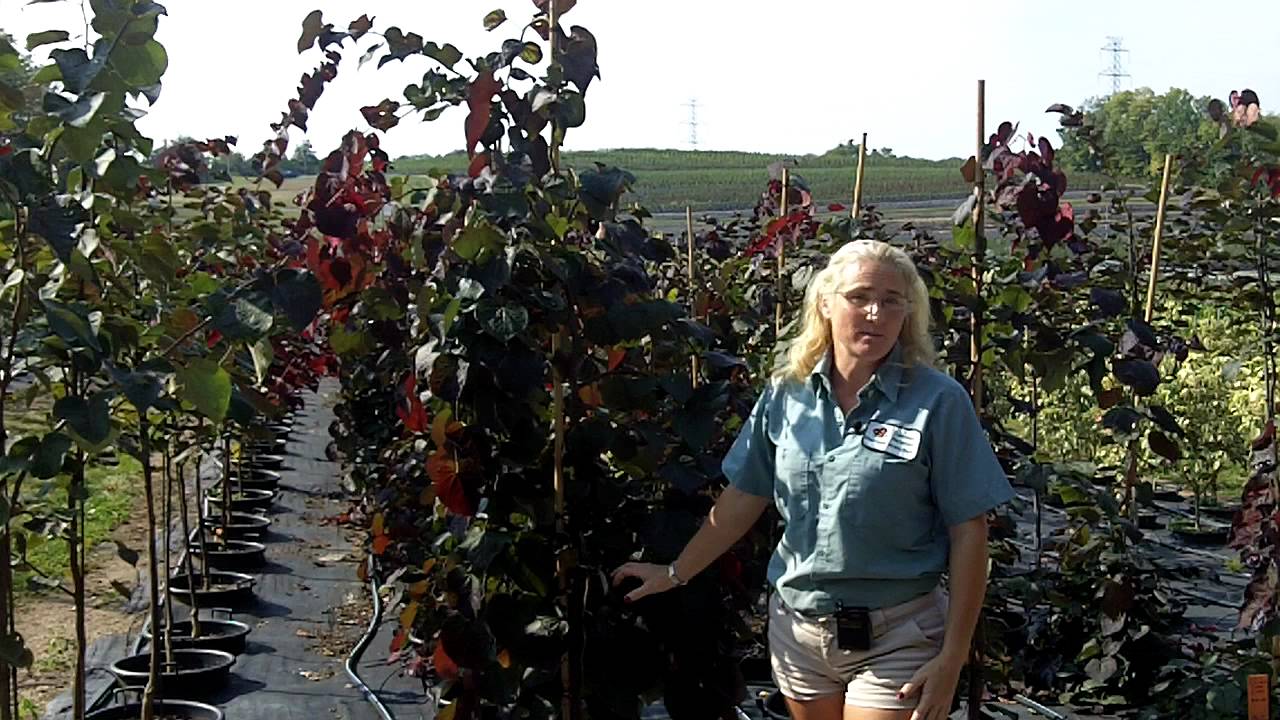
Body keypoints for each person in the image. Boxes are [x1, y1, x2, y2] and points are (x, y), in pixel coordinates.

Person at [612, 239, 1015, 720]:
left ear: (908, 313)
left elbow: (970, 532)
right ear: (825, 303)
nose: (876, 313)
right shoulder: (788, 394)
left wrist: (953, 658)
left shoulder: (939, 402)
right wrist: (675, 572)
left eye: (892, 301)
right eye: (860, 296)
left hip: (900, 635)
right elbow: (745, 496)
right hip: (799, 634)